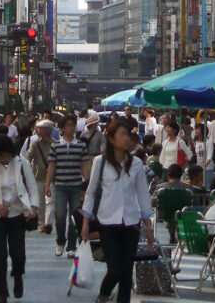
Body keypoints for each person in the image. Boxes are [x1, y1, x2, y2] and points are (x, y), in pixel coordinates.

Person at [81, 118, 155, 303]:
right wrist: (85, 222)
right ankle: (104, 294)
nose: (127, 138)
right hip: (107, 222)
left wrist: (148, 225)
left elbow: (142, 194)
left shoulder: (136, 163)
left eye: (128, 135)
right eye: (122, 135)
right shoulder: (100, 162)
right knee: (115, 269)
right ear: (111, 139)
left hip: (131, 222)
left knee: (126, 272)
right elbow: (90, 193)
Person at [0, 135, 39, 303]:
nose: (5, 158)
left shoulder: (22, 163)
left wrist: (33, 206)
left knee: (18, 254)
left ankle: (18, 276)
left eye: (8, 155)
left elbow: (32, 186)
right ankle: (2, 294)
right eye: (2, 155)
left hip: (17, 213)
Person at [46, 114, 89, 258]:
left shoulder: (81, 145)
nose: (72, 128)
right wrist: (47, 185)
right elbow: (51, 166)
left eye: (73, 125)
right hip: (60, 186)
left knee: (74, 217)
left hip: (76, 185)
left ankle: (71, 245)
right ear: (62, 129)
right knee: (59, 215)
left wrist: (87, 184)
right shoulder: (56, 146)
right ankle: (60, 240)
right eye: (69, 125)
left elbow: (84, 165)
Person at [26, 120, 54, 234]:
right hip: (39, 176)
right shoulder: (35, 144)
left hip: (52, 177)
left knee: (50, 202)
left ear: (48, 130)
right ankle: (42, 223)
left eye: (41, 129)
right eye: (38, 129)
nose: (38, 131)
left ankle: (48, 224)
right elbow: (27, 157)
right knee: (41, 202)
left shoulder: (55, 143)